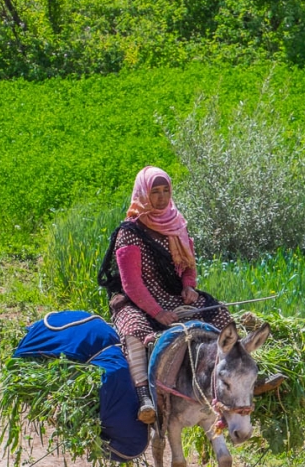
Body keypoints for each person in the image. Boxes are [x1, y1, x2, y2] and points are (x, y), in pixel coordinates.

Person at [98, 166, 237, 424]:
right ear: (142, 193)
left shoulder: (176, 224)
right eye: (155, 192)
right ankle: (144, 397)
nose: (161, 197)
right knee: (134, 330)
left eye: (165, 191)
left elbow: (188, 266)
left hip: (173, 296)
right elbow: (131, 285)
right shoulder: (130, 232)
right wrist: (158, 313)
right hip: (137, 301)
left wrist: (189, 287)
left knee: (219, 314)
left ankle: (231, 378)